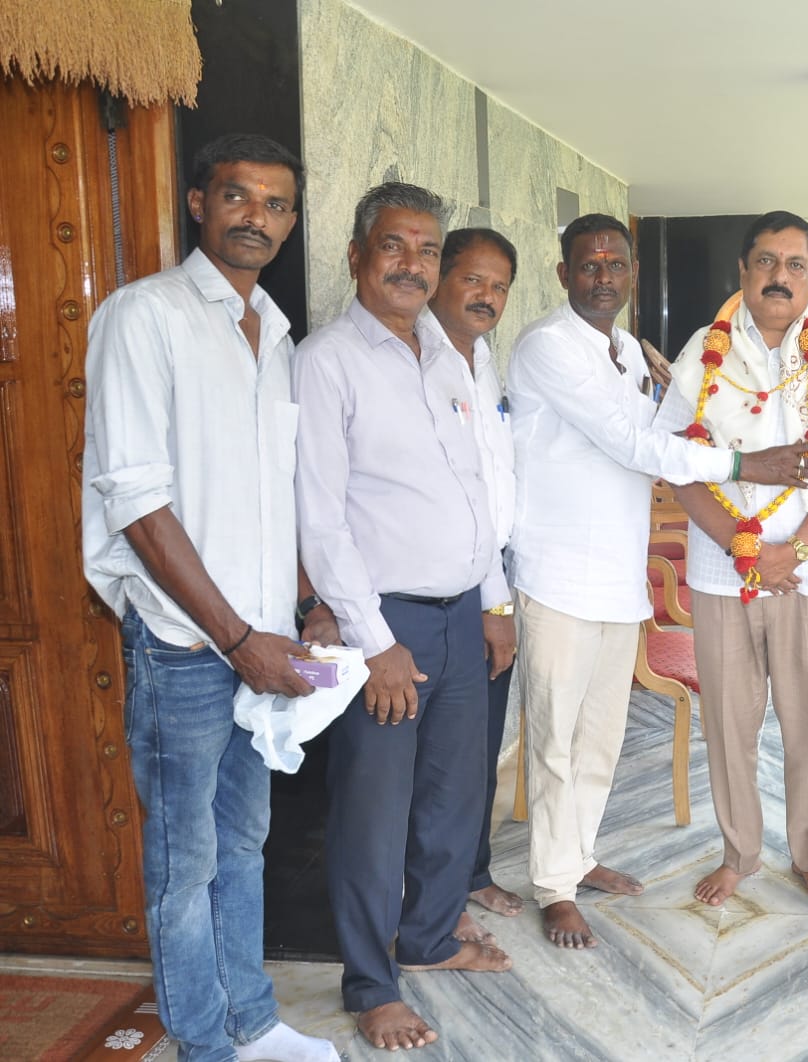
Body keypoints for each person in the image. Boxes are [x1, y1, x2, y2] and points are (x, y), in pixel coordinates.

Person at [82, 133, 337, 1062]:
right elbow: (137, 502)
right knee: (184, 862)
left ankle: (252, 1021)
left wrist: (305, 605)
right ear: (199, 203)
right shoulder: (143, 316)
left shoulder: (276, 332)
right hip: (186, 647)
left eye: (275, 204)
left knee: (243, 843)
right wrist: (236, 639)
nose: (255, 218)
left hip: (261, 643)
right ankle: (204, 1043)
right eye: (237, 196)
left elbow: (274, 494)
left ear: (291, 222)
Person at [506, 213, 808, 949]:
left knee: (600, 738)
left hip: (619, 577)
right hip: (557, 575)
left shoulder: (626, 351)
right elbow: (633, 445)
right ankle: (553, 885)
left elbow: (667, 435)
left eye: (616, 264)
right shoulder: (548, 346)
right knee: (554, 740)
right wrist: (748, 464)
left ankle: (579, 856)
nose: (604, 276)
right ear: (564, 273)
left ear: (632, 273)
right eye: (589, 264)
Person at [295, 182, 514, 1052]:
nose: (411, 265)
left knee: (454, 800)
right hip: (385, 626)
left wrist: (493, 600)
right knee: (374, 812)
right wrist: (373, 640)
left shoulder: (447, 357)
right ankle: (370, 982)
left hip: (463, 615)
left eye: (426, 250)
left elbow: (476, 491)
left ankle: (426, 939)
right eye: (394, 245)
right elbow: (320, 518)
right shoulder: (327, 361)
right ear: (357, 255)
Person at [656, 210, 808, 910]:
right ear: (743, 271)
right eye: (766, 262)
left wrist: (796, 550)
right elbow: (677, 463)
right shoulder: (703, 351)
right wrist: (743, 547)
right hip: (722, 570)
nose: (779, 277)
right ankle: (740, 854)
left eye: (794, 265)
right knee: (729, 724)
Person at [423, 228, 523, 940]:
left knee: (479, 746)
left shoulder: (484, 361)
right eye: (473, 279)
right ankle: (434, 897)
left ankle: (472, 871)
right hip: (448, 589)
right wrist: (494, 603)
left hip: (493, 577)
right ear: (439, 278)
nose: (487, 296)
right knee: (442, 760)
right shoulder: (419, 361)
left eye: (499, 286)